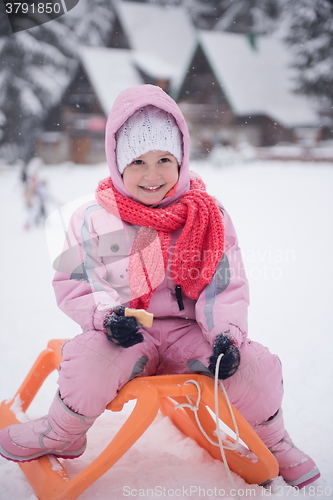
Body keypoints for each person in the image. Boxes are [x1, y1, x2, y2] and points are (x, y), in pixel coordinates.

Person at [0, 85, 320, 489]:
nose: (152, 175)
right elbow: (75, 280)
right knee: (87, 360)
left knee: (256, 366)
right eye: (137, 162)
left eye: (164, 160)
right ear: (117, 163)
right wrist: (106, 317)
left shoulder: (208, 216)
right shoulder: (94, 218)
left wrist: (226, 335)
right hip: (128, 335)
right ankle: (61, 432)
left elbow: (225, 283)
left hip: (192, 335)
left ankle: (275, 441)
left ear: (182, 159)